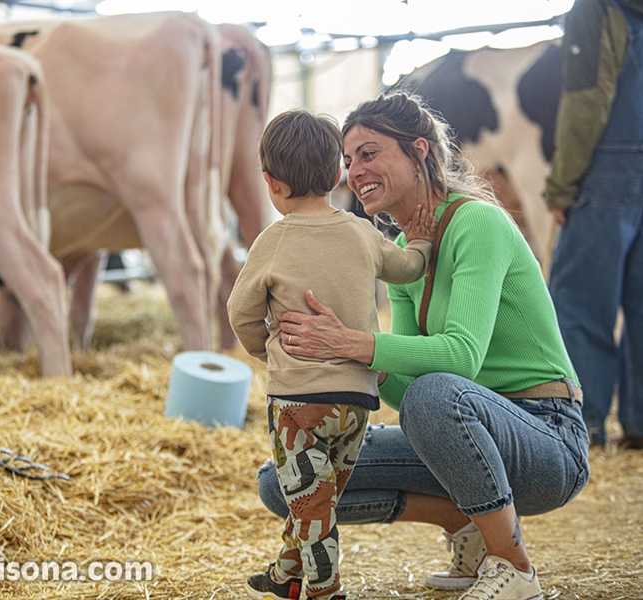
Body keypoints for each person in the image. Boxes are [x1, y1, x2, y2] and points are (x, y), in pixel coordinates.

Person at [257, 91, 590, 600]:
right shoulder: (403, 255)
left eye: (369, 153)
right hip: (466, 431)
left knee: (437, 395)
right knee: (282, 481)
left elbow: (460, 358)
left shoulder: (478, 223)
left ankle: (514, 567)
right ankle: (466, 521)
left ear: (418, 151)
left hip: (546, 438)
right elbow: (404, 394)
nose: (355, 172)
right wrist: (335, 356)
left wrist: (357, 342)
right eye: (348, 161)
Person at [227, 109, 436, 600]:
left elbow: (240, 313)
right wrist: (424, 241)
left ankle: (325, 589)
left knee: (311, 503)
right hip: (357, 403)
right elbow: (407, 268)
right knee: (319, 497)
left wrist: (270, 352)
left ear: (270, 183)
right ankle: (286, 573)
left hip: (299, 404)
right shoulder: (362, 231)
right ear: (338, 174)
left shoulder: (272, 240)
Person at [544, 0, 643, 449]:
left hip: (606, 173)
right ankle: (638, 426)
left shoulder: (596, 9)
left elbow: (588, 99)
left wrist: (563, 185)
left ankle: (585, 427)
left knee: (581, 306)